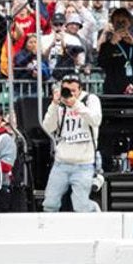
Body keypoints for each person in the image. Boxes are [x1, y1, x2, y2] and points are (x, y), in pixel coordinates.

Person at [40, 74, 102, 212]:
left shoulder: (89, 100)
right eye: (67, 90)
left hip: (84, 163)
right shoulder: (59, 104)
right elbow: (47, 128)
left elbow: (96, 120)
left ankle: (93, 209)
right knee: (50, 202)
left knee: (81, 206)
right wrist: (54, 104)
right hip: (61, 162)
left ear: (80, 89)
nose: (70, 94)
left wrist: (76, 104)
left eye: (74, 91)